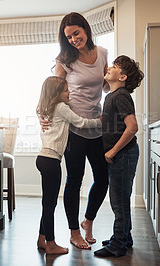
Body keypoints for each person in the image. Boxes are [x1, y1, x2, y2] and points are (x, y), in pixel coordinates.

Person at [53, 12, 109, 250]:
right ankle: (74, 232)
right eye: (69, 36)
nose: (74, 39)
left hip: (97, 125)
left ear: (85, 29)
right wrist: (44, 116)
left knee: (103, 177)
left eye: (76, 33)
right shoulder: (65, 60)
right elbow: (53, 92)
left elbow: (106, 84)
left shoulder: (103, 53)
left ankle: (88, 220)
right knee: (74, 180)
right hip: (73, 127)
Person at [35, 76, 102, 255]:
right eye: (65, 90)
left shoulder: (45, 108)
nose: (69, 92)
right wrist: (100, 121)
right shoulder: (62, 107)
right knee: (49, 205)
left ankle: (42, 238)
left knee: (47, 203)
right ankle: (50, 244)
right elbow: (81, 122)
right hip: (51, 161)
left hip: (43, 158)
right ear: (57, 94)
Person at [94, 55, 144, 257]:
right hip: (122, 156)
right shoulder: (112, 96)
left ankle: (118, 245)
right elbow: (116, 122)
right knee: (120, 199)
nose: (109, 67)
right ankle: (124, 237)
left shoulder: (121, 95)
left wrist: (113, 151)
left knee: (118, 201)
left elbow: (132, 127)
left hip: (123, 155)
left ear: (122, 76)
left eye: (114, 67)